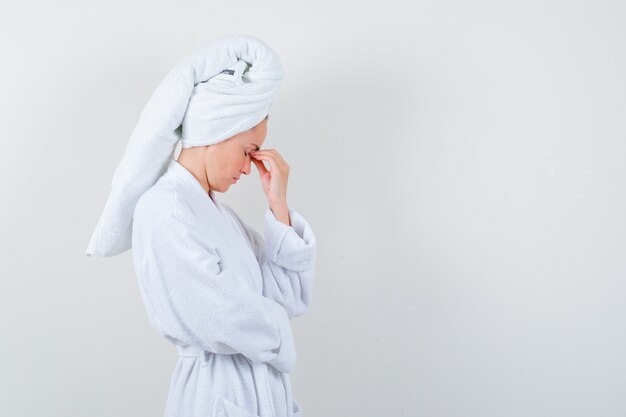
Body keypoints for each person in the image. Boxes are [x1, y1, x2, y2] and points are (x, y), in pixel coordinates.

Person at [85, 35, 316, 417]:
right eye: (247, 152)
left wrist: (278, 206)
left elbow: (288, 297)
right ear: (215, 133)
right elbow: (221, 317)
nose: (249, 167)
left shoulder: (221, 218)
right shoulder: (164, 209)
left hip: (261, 394)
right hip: (216, 397)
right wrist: (278, 335)